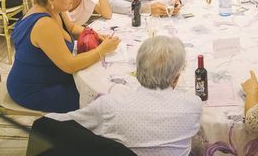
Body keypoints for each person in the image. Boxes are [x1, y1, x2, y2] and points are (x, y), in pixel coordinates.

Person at [47, 36, 202, 156]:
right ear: (175, 78)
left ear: (138, 71)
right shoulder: (193, 105)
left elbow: (59, 123)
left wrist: (43, 118)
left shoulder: (110, 107)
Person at [6, 0, 120, 112]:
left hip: (50, 76)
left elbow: (71, 28)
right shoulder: (44, 24)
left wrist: (95, 35)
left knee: (100, 82)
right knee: (99, 101)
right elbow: (70, 65)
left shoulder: (52, 9)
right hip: (34, 89)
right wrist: (102, 50)